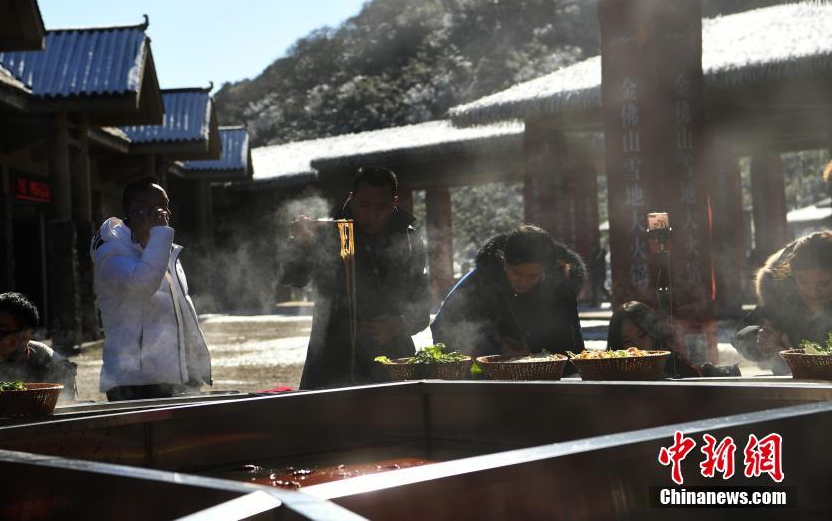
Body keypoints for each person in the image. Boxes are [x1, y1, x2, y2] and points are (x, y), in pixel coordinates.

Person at [281, 166, 431, 389]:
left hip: (393, 360)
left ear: (394, 202)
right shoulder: (332, 231)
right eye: (364, 205)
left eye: (382, 206)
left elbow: (422, 306)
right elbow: (293, 277)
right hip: (333, 359)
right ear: (352, 198)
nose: (372, 215)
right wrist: (300, 243)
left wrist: (401, 323)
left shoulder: (408, 240)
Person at [91, 178, 212, 401]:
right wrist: (159, 237)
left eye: (167, 206)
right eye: (161, 206)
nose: (167, 213)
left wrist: (194, 364)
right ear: (137, 209)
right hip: (135, 381)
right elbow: (142, 285)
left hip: (176, 375)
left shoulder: (161, 246)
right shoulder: (111, 252)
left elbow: (181, 309)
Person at [431, 225, 585, 361]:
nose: (523, 282)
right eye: (516, 273)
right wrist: (492, 351)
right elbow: (443, 328)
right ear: (505, 262)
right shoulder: (481, 281)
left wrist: (534, 353)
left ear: (545, 272)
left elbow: (574, 352)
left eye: (532, 276)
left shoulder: (560, 288)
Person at [733, 231, 832, 373]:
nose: (813, 292)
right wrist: (763, 341)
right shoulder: (783, 298)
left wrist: (789, 353)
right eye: (803, 281)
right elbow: (741, 337)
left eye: (824, 284)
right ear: (792, 274)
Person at [606, 301, 700, 378]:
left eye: (642, 335)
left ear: (654, 334)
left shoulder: (678, 368)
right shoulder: (613, 378)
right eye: (627, 341)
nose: (636, 347)